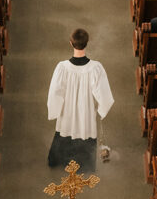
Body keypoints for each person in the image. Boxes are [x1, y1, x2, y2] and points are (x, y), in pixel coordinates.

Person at [46, 28, 114, 173]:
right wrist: (101, 109)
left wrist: (55, 110)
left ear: (71, 43)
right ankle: (84, 164)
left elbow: (54, 93)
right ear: (86, 43)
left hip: (67, 110)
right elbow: (105, 95)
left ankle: (60, 161)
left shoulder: (62, 68)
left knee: (65, 129)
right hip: (86, 110)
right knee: (84, 130)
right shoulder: (96, 68)